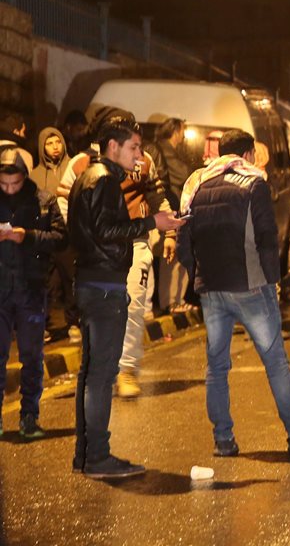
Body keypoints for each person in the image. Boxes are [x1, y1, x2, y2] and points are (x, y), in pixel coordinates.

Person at [176, 129, 290, 457]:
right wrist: (274, 282)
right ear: (247, 154)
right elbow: (267, 238)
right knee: (275, 361)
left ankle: (223, 440)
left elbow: (184, 241)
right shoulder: (254, 184)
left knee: (216, 366)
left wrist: (198, 278)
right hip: (249, 285)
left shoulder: (197, 184)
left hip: (211, 289)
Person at [68, 116, 182, 479]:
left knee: (91, 374)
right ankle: (98, 457)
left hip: (92, 282)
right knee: (101, 376)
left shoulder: (92, 177)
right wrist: (154, 225)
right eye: (133, 148)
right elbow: (106, 231)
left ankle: (86, 455)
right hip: (104, 286)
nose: (139, 156)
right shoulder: (102, 180)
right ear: (113, 147)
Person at [57, 108, 176, 399]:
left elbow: (156, 195)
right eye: (132, 143)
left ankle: (127, 370)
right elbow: (63, 202)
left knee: (133, 306)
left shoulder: (144, 161)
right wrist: (82, 238)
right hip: (98, 254)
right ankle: (100, 370)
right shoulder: (80, 164)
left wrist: (169, 233)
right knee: (99, 314)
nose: (137, 151)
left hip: (135, 243)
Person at [0, 147, 66, 438]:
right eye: (3, 184)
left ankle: (29, 416)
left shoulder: (43, 200)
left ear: (25, 177)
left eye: (14, 183)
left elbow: (61, 238)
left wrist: (29, 236)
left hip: (30, 289)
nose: (9, 189)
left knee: (31, 356)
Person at [144, 118, 195, 314]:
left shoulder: (171, 151)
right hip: (171, 208)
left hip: (174, 208)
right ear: (175, 130)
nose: (183, 135)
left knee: (177, 256)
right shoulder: (166, 150)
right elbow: (184, 174)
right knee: (171, 258)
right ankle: (171, 301)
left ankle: (176, 300)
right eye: (182, 130)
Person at [31, 126, 73, 340]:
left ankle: (74, 321)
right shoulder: (35, 174)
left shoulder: (72, 167)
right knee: (48, 283)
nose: (55, 147)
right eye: (49, 143)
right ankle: (48, 326)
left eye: (58, 142)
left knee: (71, 279)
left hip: (70, 233)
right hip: (46, 235)